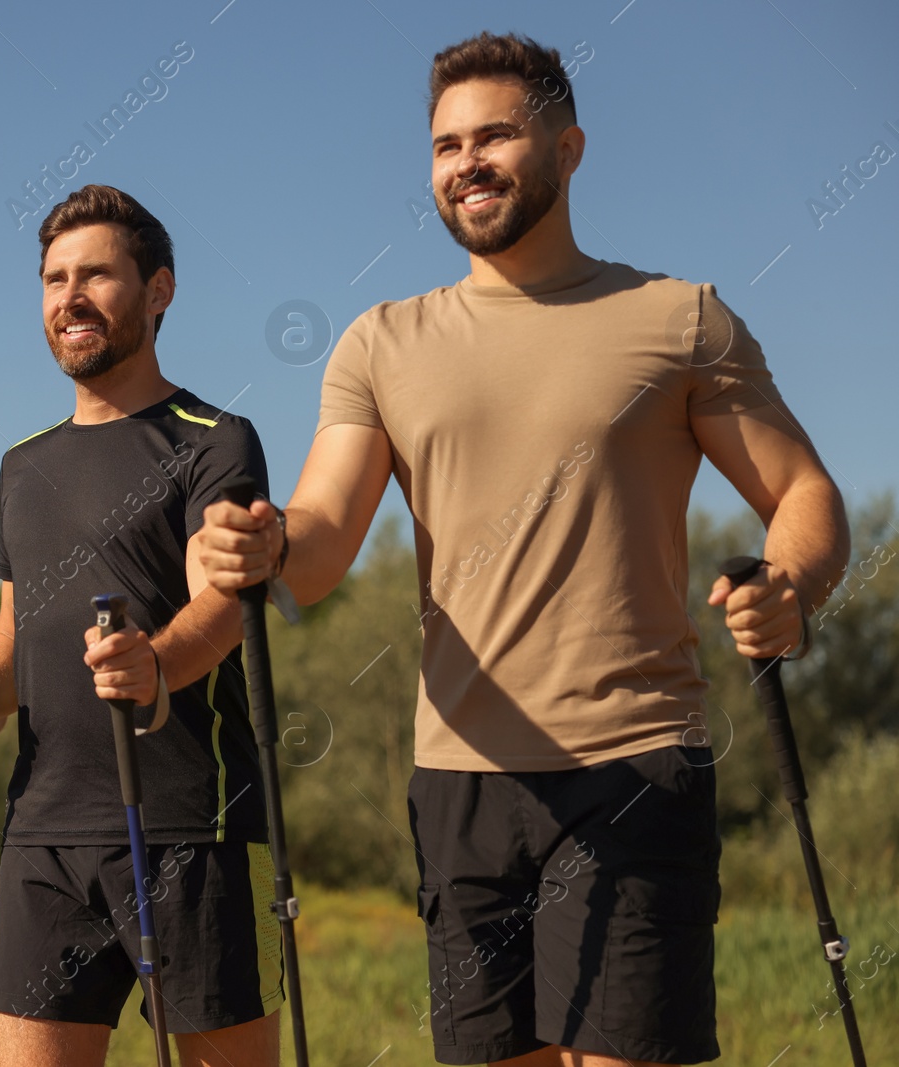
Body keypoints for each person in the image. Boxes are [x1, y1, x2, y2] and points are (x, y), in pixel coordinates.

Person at [198, 32, 849, 1067]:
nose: (467, 160)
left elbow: (802, 490)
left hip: (632, 760)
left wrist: (791, 584)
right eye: (446, 143)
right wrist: (263, 540)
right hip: (459, 779)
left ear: (568, 146)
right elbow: (319, 548)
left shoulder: (677, 320)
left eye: (495, 133)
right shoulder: (382, 341)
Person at [0, 184, 284, 1067]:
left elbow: (220, 605)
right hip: (42, 831)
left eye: (95, 275)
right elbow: (13, 651)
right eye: (52, 279)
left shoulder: (214, 439)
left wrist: (157, 662)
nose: (68, 297)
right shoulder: (21, 465)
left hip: (194, 827)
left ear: (159, 290)